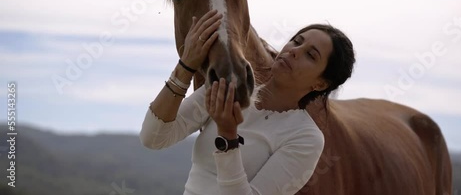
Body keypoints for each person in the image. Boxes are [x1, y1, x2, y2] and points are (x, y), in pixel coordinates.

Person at [139, 10, 356, 195]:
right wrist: (186, 66)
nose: (294, 51)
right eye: (296, 41)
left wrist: (228, 136)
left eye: (310, 55)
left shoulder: (306, 138)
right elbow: (153, 138)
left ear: (320, 83)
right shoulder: (231, 87)